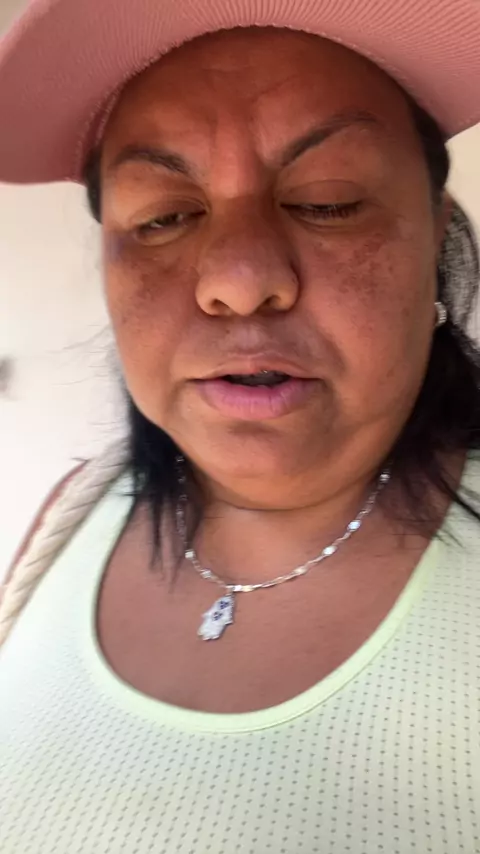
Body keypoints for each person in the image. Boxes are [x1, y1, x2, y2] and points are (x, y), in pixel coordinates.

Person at [1, 1, 480, 851]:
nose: (239, 280)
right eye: (162, 217)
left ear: (435, 240)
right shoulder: (67, 519)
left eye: (328, 201)